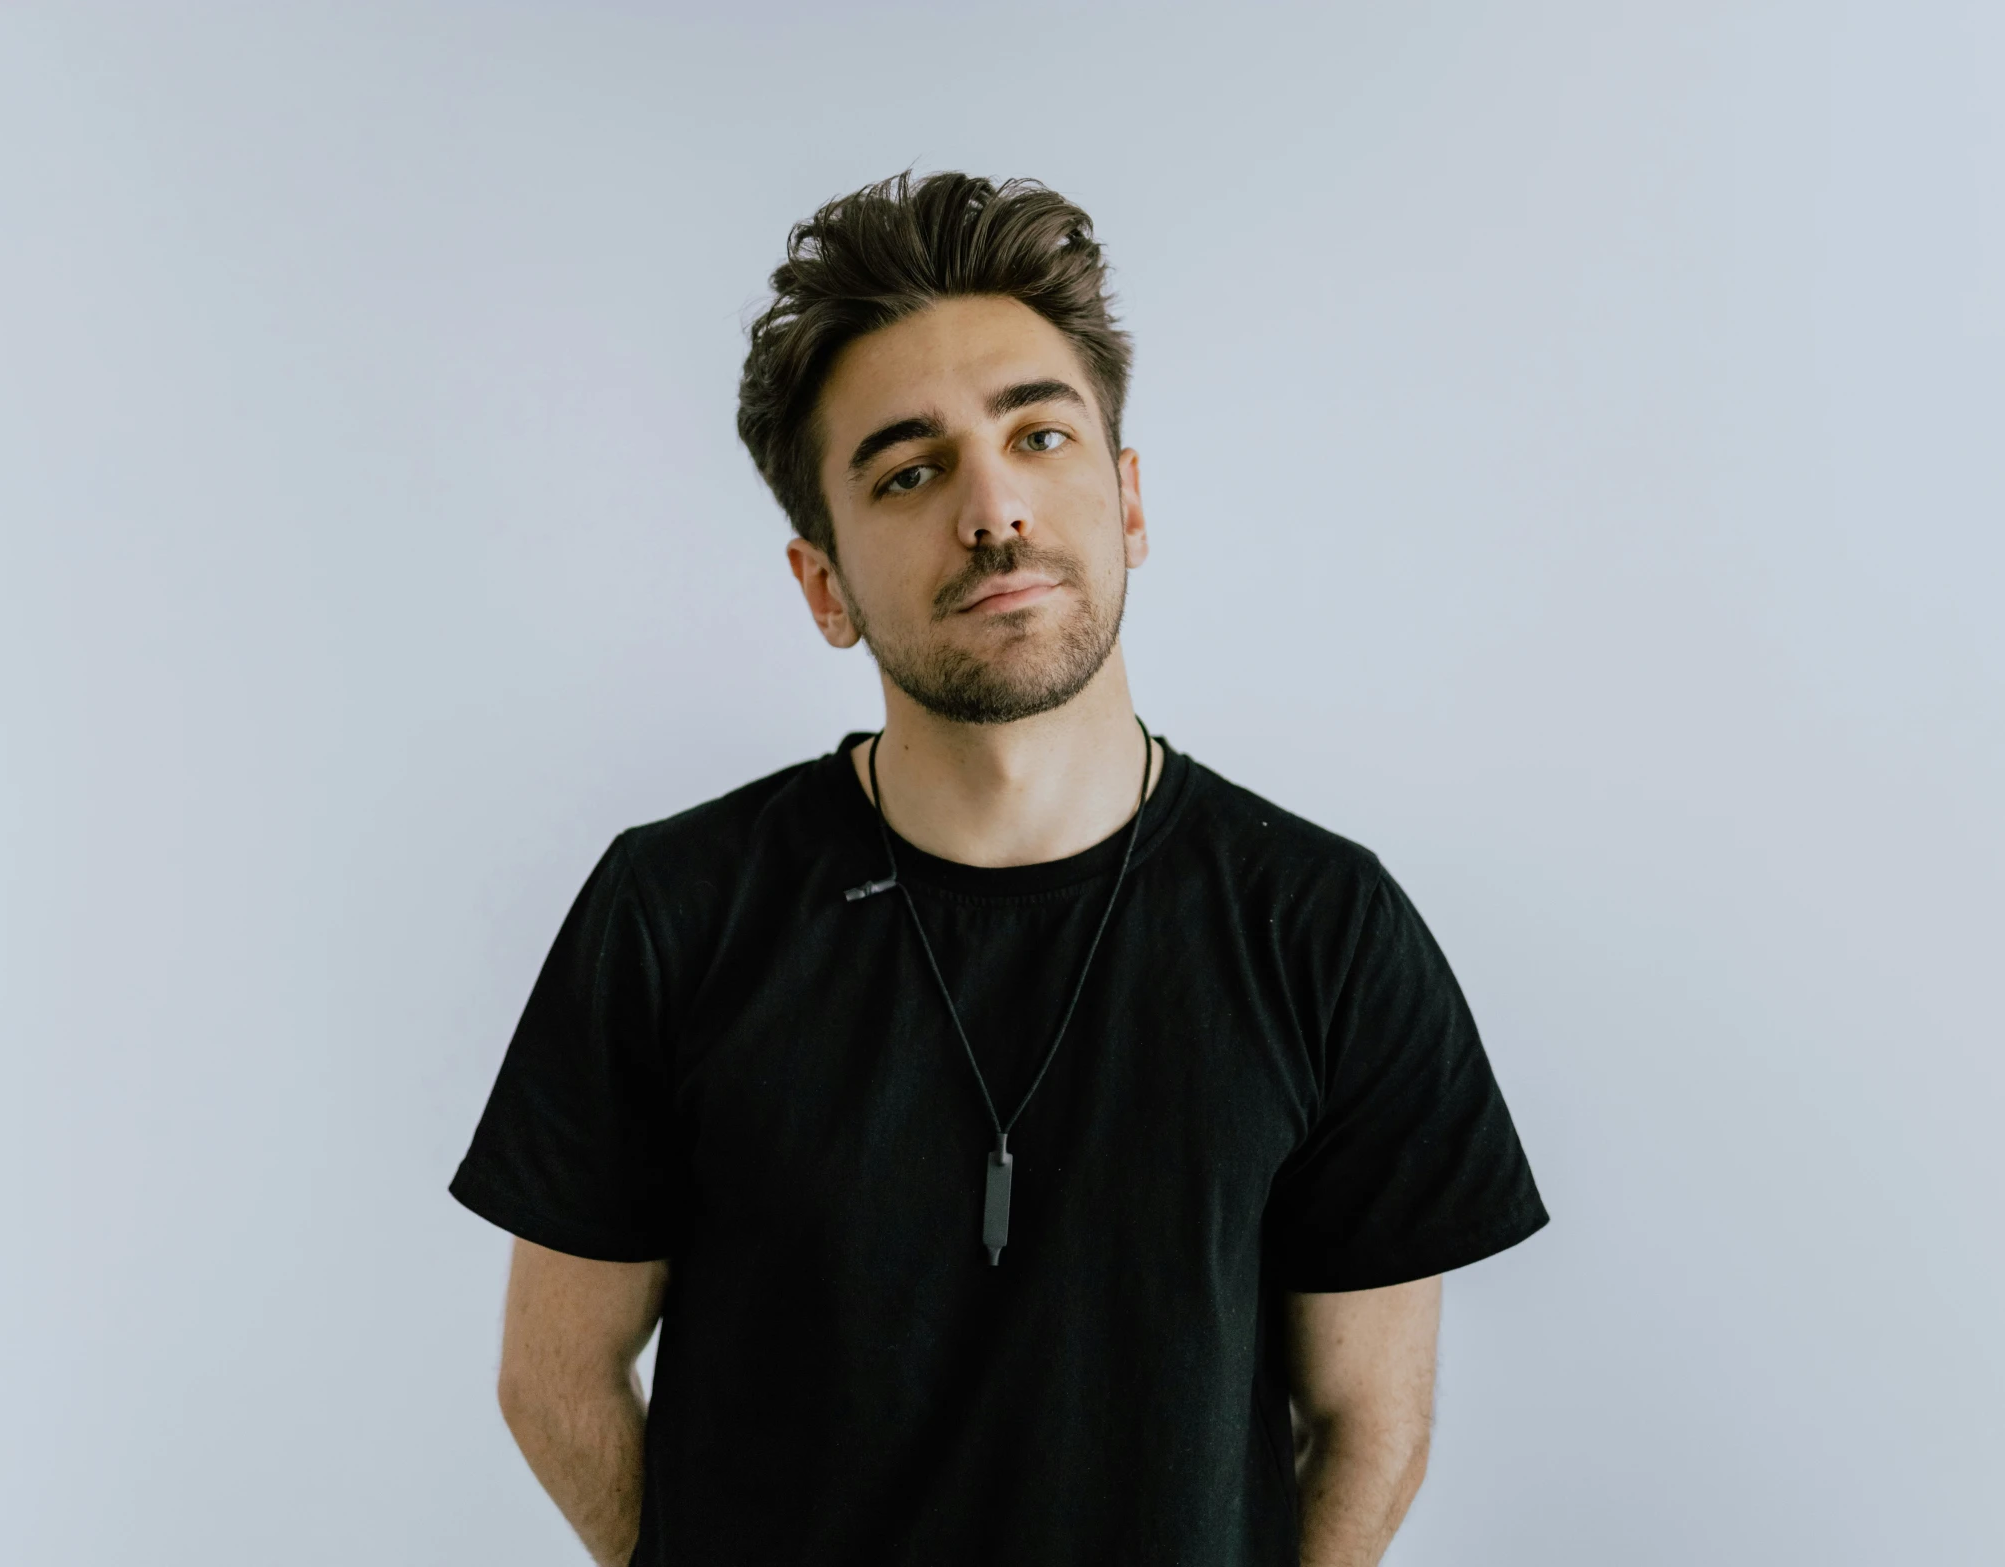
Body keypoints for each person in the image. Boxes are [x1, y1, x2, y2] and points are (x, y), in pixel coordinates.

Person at [452, 170, 1547, 1567]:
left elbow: (1368, 1421)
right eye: (907, 471)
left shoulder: (1321, 926)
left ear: (1127, 499)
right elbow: (552, 1380)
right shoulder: (676, 911)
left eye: (1037, 435)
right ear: (823, 584)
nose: (992, 508)